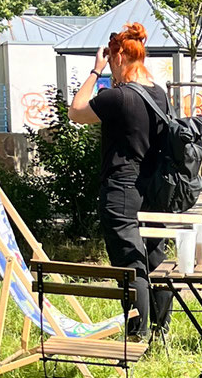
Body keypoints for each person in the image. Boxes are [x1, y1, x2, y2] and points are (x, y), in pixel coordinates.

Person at [66, 21, 172, 340]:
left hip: (121, 189)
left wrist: (96, 72)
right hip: (154, 188)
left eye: (112, 60)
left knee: (130, 264)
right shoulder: (159, 95)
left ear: (119, 58)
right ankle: (161, 330)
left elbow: (76, 111)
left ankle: (136, 335)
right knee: (155, 256)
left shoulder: (118, 97)